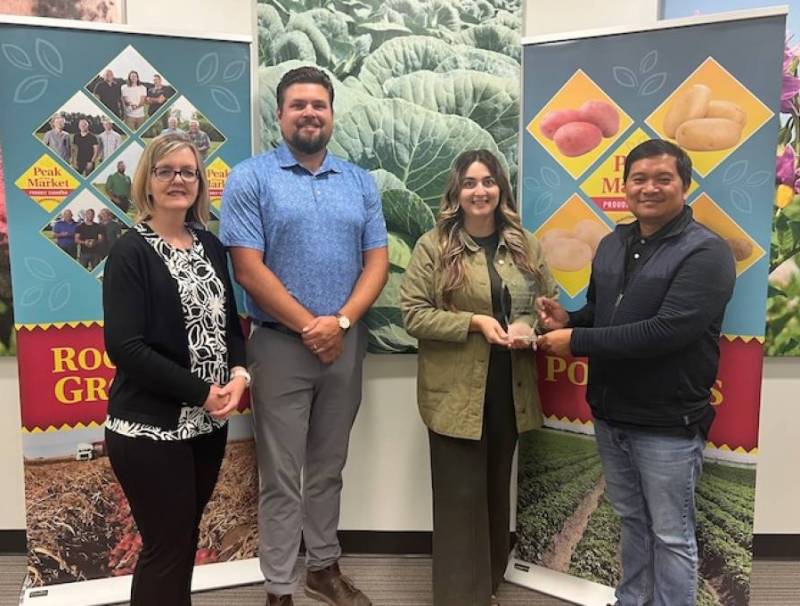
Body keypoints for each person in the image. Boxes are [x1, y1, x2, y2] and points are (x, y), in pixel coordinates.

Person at [536, 139, 736, 606]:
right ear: (624, 186)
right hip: (610, 414)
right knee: (632, 522)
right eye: (639, 178)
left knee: (671, 535)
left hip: (668, 423)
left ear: (684, 186)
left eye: (663, 178)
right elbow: (600, 312)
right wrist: (569, 321)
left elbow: (664, 332)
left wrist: (576, 342)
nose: (649, 188)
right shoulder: (612, 243)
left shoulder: (706, 252)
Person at [220, 66, 388, 606]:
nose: (309, 113)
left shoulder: (360, 182)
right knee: (280, 474)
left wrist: (337, 324)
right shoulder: (251, 178)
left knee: (327, 468)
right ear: (280, 115)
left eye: (319, 104)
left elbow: (377, 263)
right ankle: (278, 588)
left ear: (332, 113)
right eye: (298, 105)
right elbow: (247, 268)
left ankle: (322, 568)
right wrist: (309, 326)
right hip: (277, 346)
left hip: (344, 345)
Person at [400, 149, 556, 606]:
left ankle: (485, 584)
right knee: (459, 496)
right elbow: (414, 314)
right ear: (456, 191)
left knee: (492, 489)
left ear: (501, 190)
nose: (480, 190)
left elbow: (547, 301)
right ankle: (457, 597)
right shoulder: (434, 246)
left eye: (488, 181)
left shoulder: (525, 244)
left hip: (511, 387)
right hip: (455, 392)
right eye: (470, 182)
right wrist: (474, 323)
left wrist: (536, 325)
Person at [103, 133, 247, 606]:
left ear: (200, 183)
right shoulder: (130, 251)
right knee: (166, 547)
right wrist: (202, 391)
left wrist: (241, 376)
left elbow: (228, 326)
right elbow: (125, 347)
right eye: (166, 171)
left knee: (183, 540)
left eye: (188, 171)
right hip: (149, 428)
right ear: (148, 182)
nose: (178, 180)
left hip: (207, 426)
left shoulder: (211, 245)